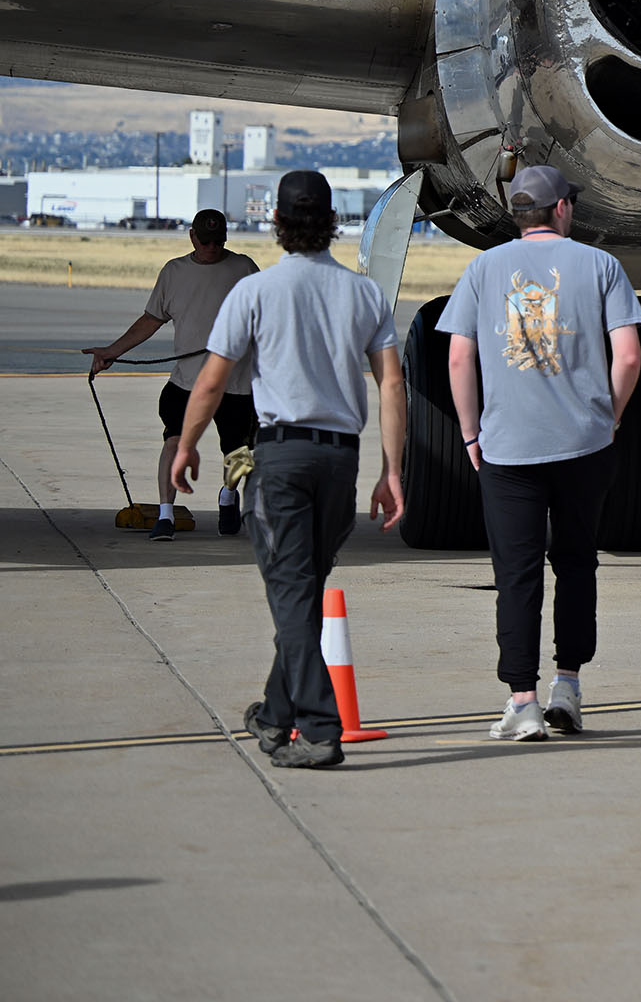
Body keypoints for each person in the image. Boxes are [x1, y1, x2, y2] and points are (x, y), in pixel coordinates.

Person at [170, 171, 403, 769]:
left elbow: (214, 379)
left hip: (281, 459)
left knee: (293, 593)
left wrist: (187, 445)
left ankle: (319, 730)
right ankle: (274, 717)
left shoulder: (255, 291)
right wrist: (391, 469)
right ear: (332, 221)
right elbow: (392, 383)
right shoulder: (366, 295)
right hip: (339, 461)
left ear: (276, 222)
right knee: (300, 592)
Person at [441, 166, 641, 742]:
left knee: (518, 575)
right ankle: (569, 687)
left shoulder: (482, 268)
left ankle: (522, 700)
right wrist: (610, 416)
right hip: (584, 444)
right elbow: (627, 357)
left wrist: (470, 434)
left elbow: (460, 358)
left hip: (508, 451)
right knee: (578, 563)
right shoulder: (601, 266)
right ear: (561, 210)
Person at [85, 210, 259, 538]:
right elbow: (151, 320)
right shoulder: (174, 272)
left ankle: (228, 494)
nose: (211, 247)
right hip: (187, 382)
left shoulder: (244, 268)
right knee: (174, 442)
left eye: (218, 241)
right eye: (205, 241)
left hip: (235, 384)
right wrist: (111, 352)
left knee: (239, 453)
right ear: (192, 237)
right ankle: (165, 515)